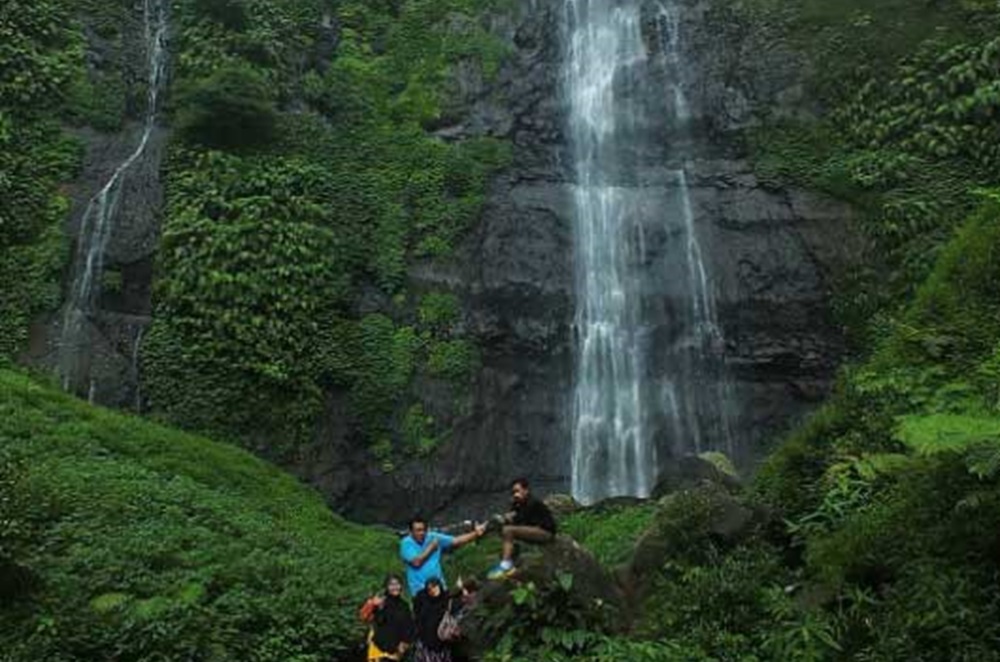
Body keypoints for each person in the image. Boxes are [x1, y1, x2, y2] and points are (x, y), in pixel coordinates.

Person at [486, 477, 557, 580]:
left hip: (545, 532)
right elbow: (515, 519)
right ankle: (511, 558)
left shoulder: (532, 502)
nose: (515, 494)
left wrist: (511, 516)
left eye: (517, 491)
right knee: (504, 530)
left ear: (526, 490)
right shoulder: (518, 503)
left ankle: (506, 565)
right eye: (513, 492)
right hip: (532, 529)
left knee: (508, 530)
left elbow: (521, 520)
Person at [400, 516, 486, 596]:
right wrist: (431, 548)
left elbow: (455, 541)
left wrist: (476, 533)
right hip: (420, 590)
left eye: (424, 530)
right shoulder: (406, 543)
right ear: (411, 531)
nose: (422, 533)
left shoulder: (432, 536)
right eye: (418, 530)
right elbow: (416, 562)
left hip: (439, 587)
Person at [359, 574, 416, 661]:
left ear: (401, 586)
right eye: (391, 585)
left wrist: (405, 644)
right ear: (386, 587)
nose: (395, 587)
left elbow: (409, 627)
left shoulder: (404, 605)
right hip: (378, 649)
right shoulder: (379, 601)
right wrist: (371, 604)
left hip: (396, 652)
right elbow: (363, 617)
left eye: (397, 584)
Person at [413, 577, 455, 662]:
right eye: (429, 588)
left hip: (442, 644)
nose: (433, 590)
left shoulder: (445, 599)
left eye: (435, 587)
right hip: (425, 643)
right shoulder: (422, 599)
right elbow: (417, 617)